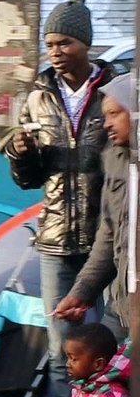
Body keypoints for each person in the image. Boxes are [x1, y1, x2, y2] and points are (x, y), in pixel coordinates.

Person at [3, 0, 113, 397]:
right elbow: (28, 180)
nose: (55, 51)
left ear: (85, 44)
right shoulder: (37, 97)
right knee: (60, 353)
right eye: (49, 43)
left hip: (108, 244)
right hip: (55, 244)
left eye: (64, 42)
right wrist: (21, 153)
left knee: (111, 349)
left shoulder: (114, 93)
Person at [53, 74, 134, 338]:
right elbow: (109, 235)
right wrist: (82, 292)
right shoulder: (114, 158)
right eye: (105, 115)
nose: (106, 124)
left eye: (114, 114)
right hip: (121, 307)